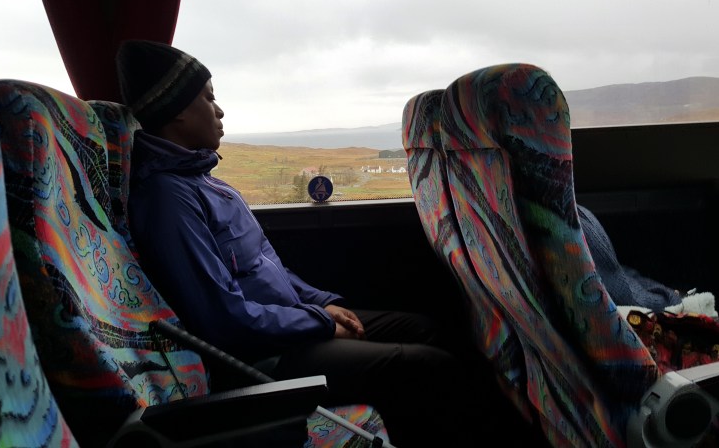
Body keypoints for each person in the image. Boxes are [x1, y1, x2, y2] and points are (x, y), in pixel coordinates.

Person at [115, 40, 536, 447]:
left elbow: (267, 268)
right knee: (431, 369)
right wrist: (318, 322)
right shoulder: (169, 200)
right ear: (177, 114)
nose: (220, 110)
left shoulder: (206, 182)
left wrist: (322, 303)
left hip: (288, 325)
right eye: (209, 99)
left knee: (425, 329)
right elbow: (223, 320)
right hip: (261, 359)